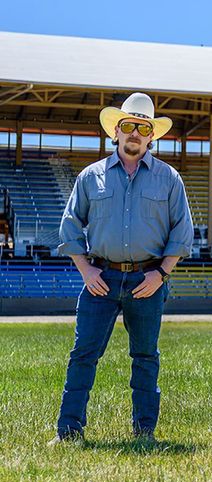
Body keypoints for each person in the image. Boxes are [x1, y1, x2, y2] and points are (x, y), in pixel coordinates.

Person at [50, 92, 194, 446]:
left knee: (145, 357)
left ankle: (145, 432)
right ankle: (69, 432)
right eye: (128, 126)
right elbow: (70, 227)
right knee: (83, 354)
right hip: (100, 278)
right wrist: (86, 271)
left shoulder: (169, 178)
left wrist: (160, 275)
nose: (135, 133)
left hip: (148, 281)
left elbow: (183, 231)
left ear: (151, 135)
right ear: (116, 130)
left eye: (142, 128)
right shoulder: (90, 176)